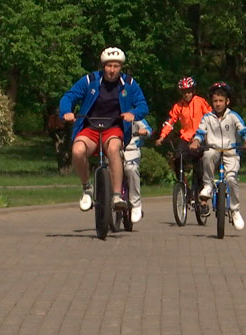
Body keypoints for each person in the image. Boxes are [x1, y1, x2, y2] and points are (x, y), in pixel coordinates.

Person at [60, 47, 149, 212]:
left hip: (114, 127)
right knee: (78, 150)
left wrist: (132, 113)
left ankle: (116, 196)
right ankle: (87, 188)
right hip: (90, 127)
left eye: (116, 66)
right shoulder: (90, 80)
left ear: (121, 67)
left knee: (114, 148)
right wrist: (66, 111)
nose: (112, 70)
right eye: (109, 66)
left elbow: (143, 105)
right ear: (103, 66)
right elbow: (69, 96)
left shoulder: (128, 83)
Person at [189, 82, 246, 230]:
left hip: (231, 151)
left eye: (221, 101)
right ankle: (208, 185)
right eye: (215, 101)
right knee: (207, 155)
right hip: (214, 149)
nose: (218, 104)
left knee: (231, 179)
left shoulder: (233, 116)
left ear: (227, 101)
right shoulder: (207, 118)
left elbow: (244, 131)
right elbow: (200, 132)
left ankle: (235, 210)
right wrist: (195, 141)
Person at [156, 76, 212, 211]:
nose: (187, 94)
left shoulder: (200, 102)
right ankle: (184, 188)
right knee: (177, 159)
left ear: (193, 91)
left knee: (199, 166)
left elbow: (211, 116)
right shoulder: (178, 106)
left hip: (200, 137)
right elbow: (170, 122)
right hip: (186, 137)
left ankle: (197, 192)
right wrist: (162, 136)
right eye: (184, 91)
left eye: (189, 91)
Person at [122, 119, 153, 223]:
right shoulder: (110, 111)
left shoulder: (134, 115)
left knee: (131, 169)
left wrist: (144, 131)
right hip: (114, 150)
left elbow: (148, 129)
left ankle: (136, 204)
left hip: (132, 150)